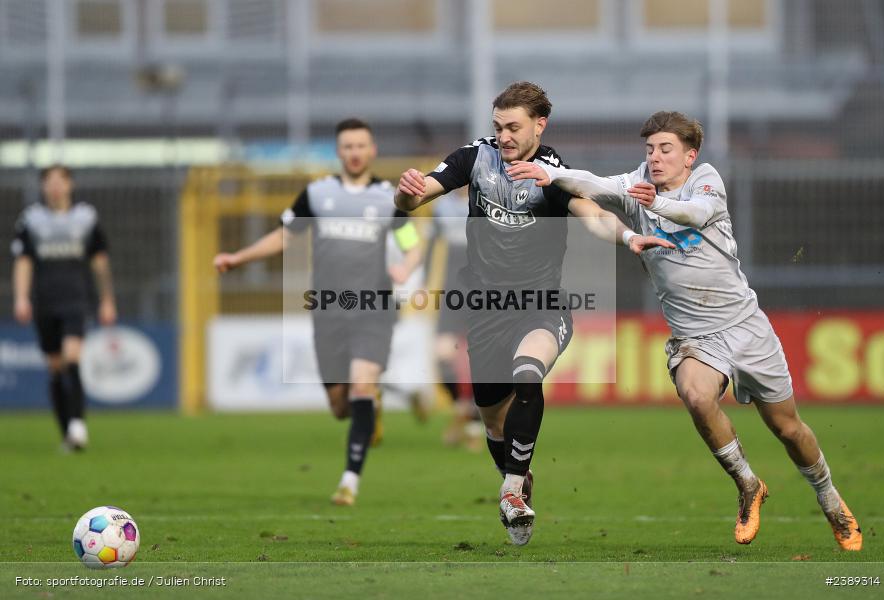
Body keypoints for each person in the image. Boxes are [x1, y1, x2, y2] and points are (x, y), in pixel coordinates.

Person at [507, 110, 862, 551]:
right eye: (650, 149)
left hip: (744, 326)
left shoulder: (706, 181)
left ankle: (830, 499)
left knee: (788, 428)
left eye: (665, 149)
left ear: (689, 156)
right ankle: (749, 485)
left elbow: (695, 214)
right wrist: (549, 172)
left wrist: (653, 203)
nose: (655, 158)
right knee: (696, 394)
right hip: (696, 337)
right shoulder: (637, 182)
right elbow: (594, 184)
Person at [395, 82, 673, 545]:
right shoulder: (474, 157)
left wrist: (627, 238)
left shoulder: (553, 174)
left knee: (528, 375)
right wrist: (406, 195)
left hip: (542, 305)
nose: (503, 136)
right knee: (493, 422)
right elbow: (416, 196)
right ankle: (519, 480)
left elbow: (594, 214)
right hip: (484, 310)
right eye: (498, 126)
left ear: (540, 125)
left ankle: (510, 490)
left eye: (514, 127)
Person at [214, 118, 422, 506]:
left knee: (361, 384)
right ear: (339, 151)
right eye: (347, 146)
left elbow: (412, 244)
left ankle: (349, 481)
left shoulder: (387, 198)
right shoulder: (316, 194)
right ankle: (369, 406)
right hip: (328, 313)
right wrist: (238, 258)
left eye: (361, 145)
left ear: (372, 150)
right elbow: (284, 235)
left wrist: (406, 268)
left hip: (374, 308)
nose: (355, 153)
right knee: (341, 406)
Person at [12, 165, 117, 451]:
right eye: (50, 182)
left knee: (73, 359)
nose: (55, 186)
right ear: (44, 187)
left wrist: (107, 299)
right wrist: (21, 297)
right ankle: (67, 432)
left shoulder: (86, 218)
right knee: (55, 368)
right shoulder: (31, 221)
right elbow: (23, 263)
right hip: (45, 302)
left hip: (77, 299)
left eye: (61, 181)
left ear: (70, 185)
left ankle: (78, 424)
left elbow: (100, 261)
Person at [428, 189, 482, 450]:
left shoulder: (488, 200)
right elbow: (429, 245)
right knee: (442, 356)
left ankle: (473, 428)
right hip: (452, 292)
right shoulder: (441, 207)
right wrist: (425, 281)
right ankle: (463, 408)